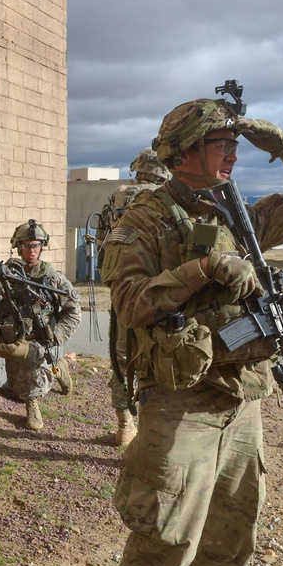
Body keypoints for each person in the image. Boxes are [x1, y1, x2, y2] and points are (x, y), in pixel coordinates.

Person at [100, 95, 283, 566]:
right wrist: (203, 269)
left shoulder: (243, 216)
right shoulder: (145, 218)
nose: (233, 153)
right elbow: (129, 302)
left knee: (233, 534)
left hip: (243, 400)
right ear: (185, 150)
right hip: (181, 402)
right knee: (165, 535)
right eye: (221, 143)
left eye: (235, 143)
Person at [0, 220, 81, 430]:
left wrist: (56, 335)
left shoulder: (52, 278)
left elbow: (74, 311)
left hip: (39, 339)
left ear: (42, 247)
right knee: (16, 386)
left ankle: (33, 405)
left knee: (29, 378)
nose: (32, 250)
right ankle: (58, 369)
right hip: (12, 336)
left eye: (36, 245)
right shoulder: (8, 274)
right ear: (19, 247)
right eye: (27, 245)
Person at [105, 148, 171, 445]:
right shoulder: (168, 197)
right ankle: (151, 427)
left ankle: (124, 425)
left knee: (121, 357)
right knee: (158, 357)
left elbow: (104, 239)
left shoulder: (119, 196)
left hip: (123, 289)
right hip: (160, 290)